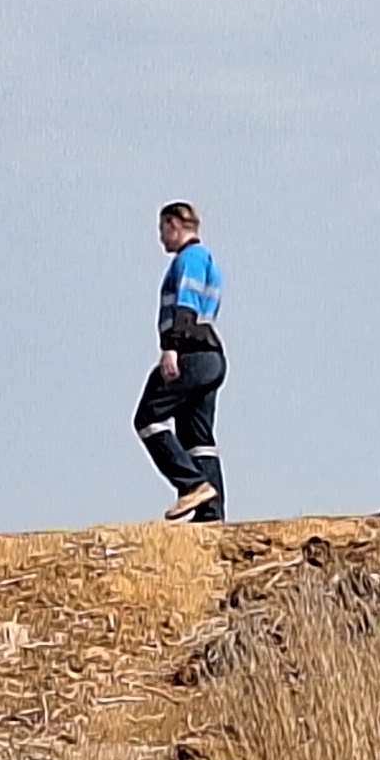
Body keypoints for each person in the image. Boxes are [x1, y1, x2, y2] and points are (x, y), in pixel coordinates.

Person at [135, 201, 226, 522]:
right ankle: (211, 515)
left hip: (192, 353)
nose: (161, 238)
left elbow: (186, 306)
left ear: (173, 225)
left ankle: (191, 485)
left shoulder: (190, 258)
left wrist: (171, 348)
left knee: (148, 418)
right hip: (210, 356)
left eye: (162, 229)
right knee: (197, 438)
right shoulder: (207, 259)